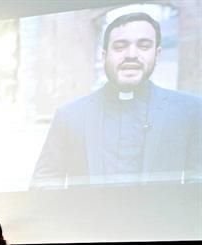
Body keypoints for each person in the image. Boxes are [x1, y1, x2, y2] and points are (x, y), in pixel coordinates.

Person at [31, 12, 202, 188]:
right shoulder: (69, 115)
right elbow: (44, 183)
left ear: (157, 54)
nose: (131, 55)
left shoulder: (190, 111)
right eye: (120, 47)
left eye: (144, 46)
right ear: (104, 55)